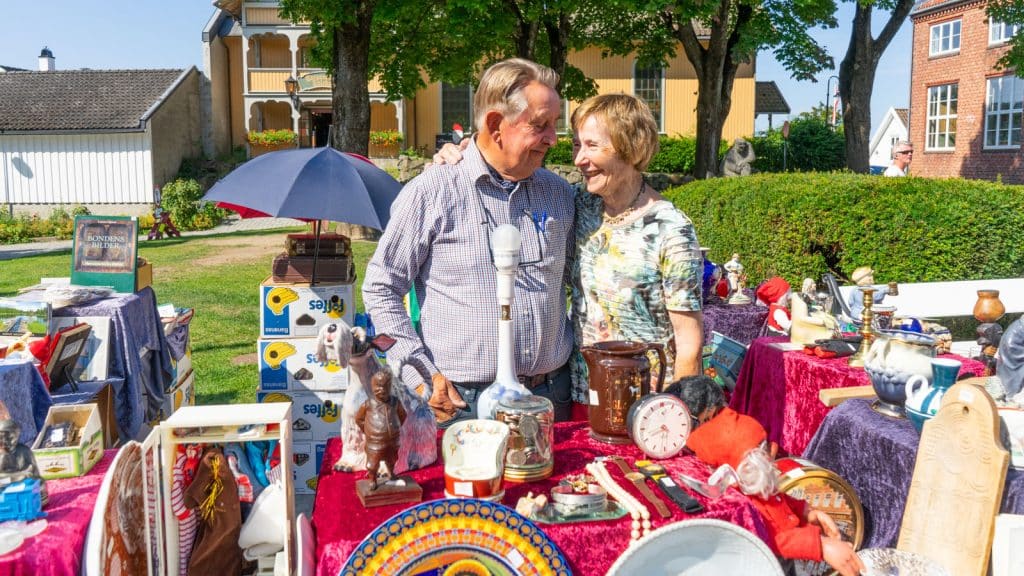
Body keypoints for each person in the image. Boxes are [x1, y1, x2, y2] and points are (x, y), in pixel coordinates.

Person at [433, 94, 704, 412]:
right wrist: (467, 153)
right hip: (579, 392)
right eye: (577, 145)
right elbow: (504, 169)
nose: (579, 159)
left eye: (592, 146)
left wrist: (675, 415)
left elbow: (689, 343)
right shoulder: (577, 203)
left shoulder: (670, 229)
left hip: (644, 401)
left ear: (631, 146)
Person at [362, 58, 575, 426]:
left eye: (554, 125)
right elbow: (381, 288)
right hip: (461, 402)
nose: (553, 139)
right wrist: (419, 376)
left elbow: (583, 282)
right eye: (540, 125)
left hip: (551, 396)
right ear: (495, 125)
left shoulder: (559, 195)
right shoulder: (432, 191)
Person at [669, 375, 865, 576]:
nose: (772, 450)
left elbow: (772, 496)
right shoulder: (737, 497)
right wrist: (821, 546)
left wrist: (803, 510)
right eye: (762, 448)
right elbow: (768, 534)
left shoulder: (747, 475)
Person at [356, 370, 406, 490]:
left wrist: (396, 428)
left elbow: (403, 415)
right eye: (378, 387)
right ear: (372, 387)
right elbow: (359, 419)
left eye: (385, 386)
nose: (382, 390)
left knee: (392, 460)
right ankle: (372, 479)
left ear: (390, 387)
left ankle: (392, 474)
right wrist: (369, 431)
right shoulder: (368, 404)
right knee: (372, 464)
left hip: (392, 441)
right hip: (375, 443)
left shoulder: (395, 402)